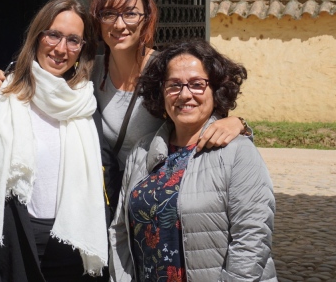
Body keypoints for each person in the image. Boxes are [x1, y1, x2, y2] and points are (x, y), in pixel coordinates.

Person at [0, 0, 252, 208]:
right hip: (102, 198)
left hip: (155, 199)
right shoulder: (87, 71)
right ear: (98, 20)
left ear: (146, 19)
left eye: (130, 13)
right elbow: (45, 82)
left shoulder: (166, 72)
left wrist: (237, 123)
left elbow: (205, 110)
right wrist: (9, 81)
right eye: (109, 14)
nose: (119, 25)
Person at [109, 39, 277, 282]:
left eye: (197, 84)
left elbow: (252, 238)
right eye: (174, 85)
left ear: (216, 90)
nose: (185, 94)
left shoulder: (237, 152)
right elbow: (120, 231)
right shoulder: (142, 152)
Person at [0, 0, 111, 282]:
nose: (61, 48)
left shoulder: (86, 105)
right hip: (18, 243)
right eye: (54, 35)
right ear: (37, 36)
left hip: (74, 245)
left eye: (73, 40)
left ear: (82, 49)